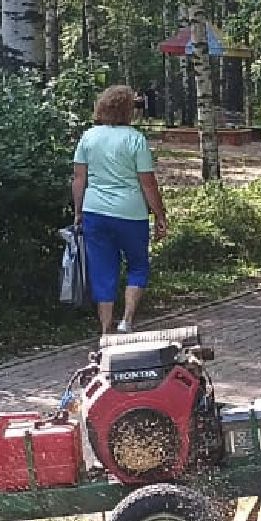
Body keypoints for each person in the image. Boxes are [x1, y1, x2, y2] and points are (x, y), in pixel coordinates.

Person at [71, 85, 170, 335]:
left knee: (102, 270)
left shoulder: (89, 137)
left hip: (95, 211)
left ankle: (105, 329)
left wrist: (78, 211)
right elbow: (147, 182)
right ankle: (126, 320)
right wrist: (160, 214)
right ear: (128, 110)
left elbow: (79, 179)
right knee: (138, 265)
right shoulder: (135, 139)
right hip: (130, 213)